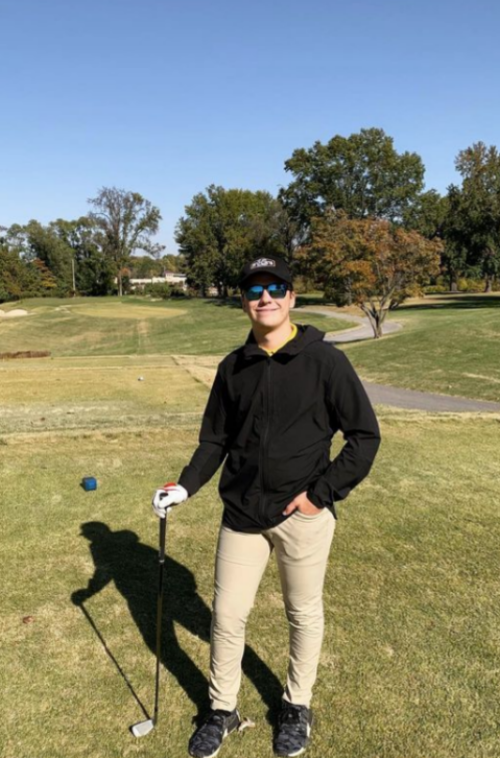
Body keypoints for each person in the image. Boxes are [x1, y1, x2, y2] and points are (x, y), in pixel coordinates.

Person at [152, 255, 381, 758]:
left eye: (275, 287)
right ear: (244, 303)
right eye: (255, 291)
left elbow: (364, 437)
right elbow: (214, 441)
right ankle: (222, 709)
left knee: (302, 613)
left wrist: (319, 496)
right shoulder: (233, 367)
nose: (266, 298)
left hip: (302, 516)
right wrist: (186, 487)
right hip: (241, 516)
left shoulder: (325, 362)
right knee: (227, 617)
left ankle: (296, 706)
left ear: (292, 297)